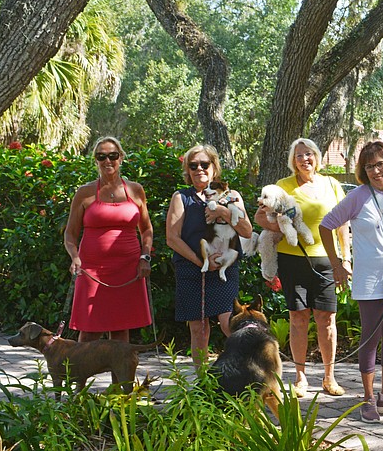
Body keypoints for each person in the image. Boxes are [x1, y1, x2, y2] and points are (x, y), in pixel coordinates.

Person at [319, 140, 383, 423]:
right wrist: (337, 263)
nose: (376, 170)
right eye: (369, 166)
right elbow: (326, 225)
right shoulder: (359, 196)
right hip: (369, 280)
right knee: (370, 337)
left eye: (380, 164)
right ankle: (368, 398)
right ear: (363, 170)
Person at [254, 138, 350, 398]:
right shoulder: (282, 186)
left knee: (326, 319)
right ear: (292, 161)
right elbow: (260, 216)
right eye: (299, 156)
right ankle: (300, 377)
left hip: (327, 260)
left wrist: (345, 258)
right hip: (291, 259)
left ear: (317, 157)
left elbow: (343, 225)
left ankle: (329, 378)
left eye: (309, 154)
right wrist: (283, 230)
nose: (305, 159)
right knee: (298, 318)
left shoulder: (332, 184)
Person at [165, 144, 252, 367]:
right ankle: (203, 383)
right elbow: (172, 238)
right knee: (198, 328)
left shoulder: (231, 195)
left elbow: (247, 231)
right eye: (193, 166)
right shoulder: (181, 197)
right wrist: (202, 261)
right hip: (192, 268)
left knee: (228, 323)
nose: (199, 169)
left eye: (205, 164)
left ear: (214, 167)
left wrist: (222, 211)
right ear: (188, 170)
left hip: (225, 268)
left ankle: (242, 374)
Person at [64, 136, 153, 343]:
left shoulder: (135, 190)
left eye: (112, 155)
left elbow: (147, 229)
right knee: (88, 330)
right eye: (101, 156)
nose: (107, 161)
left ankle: (122, 377)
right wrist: (75, 257)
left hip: (128, 268)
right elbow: (70, 234)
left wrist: (145, 257)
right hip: (91, 269)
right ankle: (78, 376)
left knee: (121, 331)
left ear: (121, 157)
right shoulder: (84, 192)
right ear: (95, 160)